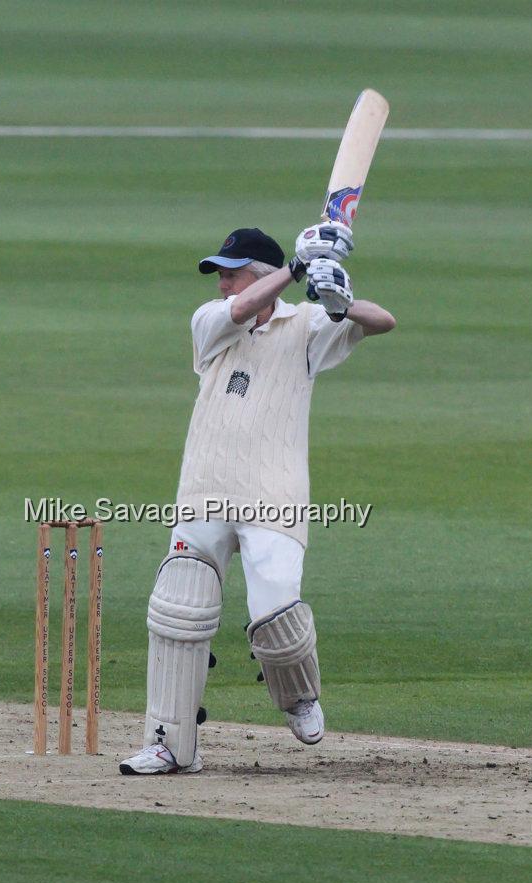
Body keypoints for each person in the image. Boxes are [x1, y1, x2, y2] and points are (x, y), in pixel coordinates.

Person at [120, 224, 395, 775]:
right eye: (219, 272)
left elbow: (383, 321)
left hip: (275, 496)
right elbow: (241, 307)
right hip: (203, 490)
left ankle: (299, 696)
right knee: (178, 612)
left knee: (274, 618)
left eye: (232, 271)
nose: (222, 282)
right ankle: (170, 745)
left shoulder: (308, 327)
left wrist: (341, 301)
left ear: (261, 273)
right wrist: (296, 270)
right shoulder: (210, 322)